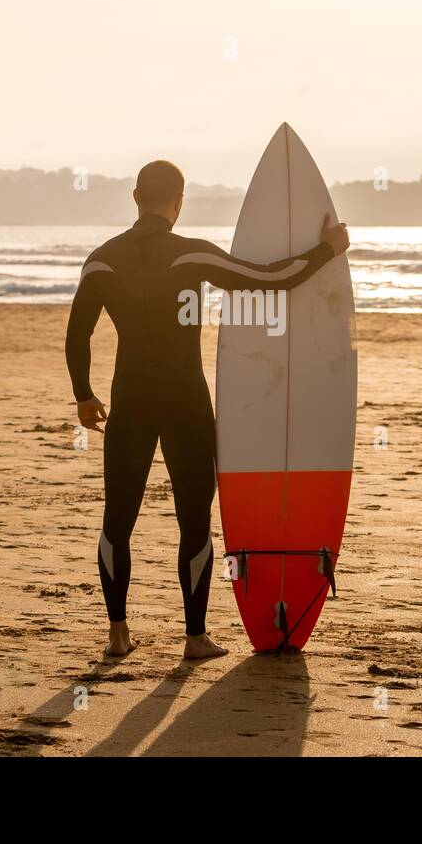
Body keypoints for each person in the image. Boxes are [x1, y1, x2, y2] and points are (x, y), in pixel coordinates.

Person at [65, 159, 350, 660]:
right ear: (179, 202)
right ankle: (194, 638)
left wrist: (84, 395)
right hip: (185, 404)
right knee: (193, 520)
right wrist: (328, 249)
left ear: (134, 197)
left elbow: (77, 333)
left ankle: (117, 635)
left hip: (130, 401)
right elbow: (269, 280)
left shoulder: (102, 261)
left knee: (117, 520)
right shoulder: (190, 255)